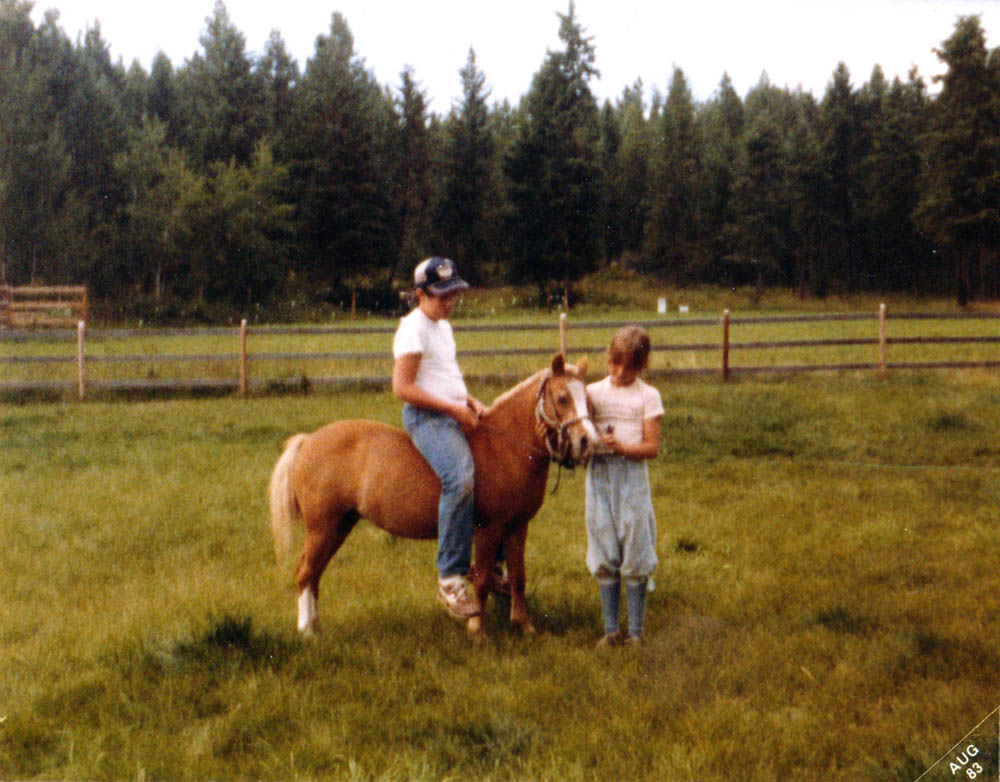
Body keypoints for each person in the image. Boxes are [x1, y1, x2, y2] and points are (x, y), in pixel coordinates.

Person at [392, 257, 487, 619]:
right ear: (420, 294)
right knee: (459, 477)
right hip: (427, 418)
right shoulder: (413, 329)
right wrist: (453, 410)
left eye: (454, 295)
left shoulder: (443, 327)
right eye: (442, 295)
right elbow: (402, 387)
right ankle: (450, 577)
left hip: (452, 409)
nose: (450, 302)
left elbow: (447, 377)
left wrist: (470, 401)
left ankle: (489, 565)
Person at [585, 325, 664, 647]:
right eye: (614, 364)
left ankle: (636, 633)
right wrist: (588, 447)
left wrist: (621, 448)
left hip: (631, 478)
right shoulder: (592, 393)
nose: (618, 372)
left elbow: (652, 448)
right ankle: (611, 631)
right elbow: (579, 432)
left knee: (634, 544)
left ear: (641, 366)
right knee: (603, 545)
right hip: (599, 476)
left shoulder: (648, 396)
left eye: (628, 367)